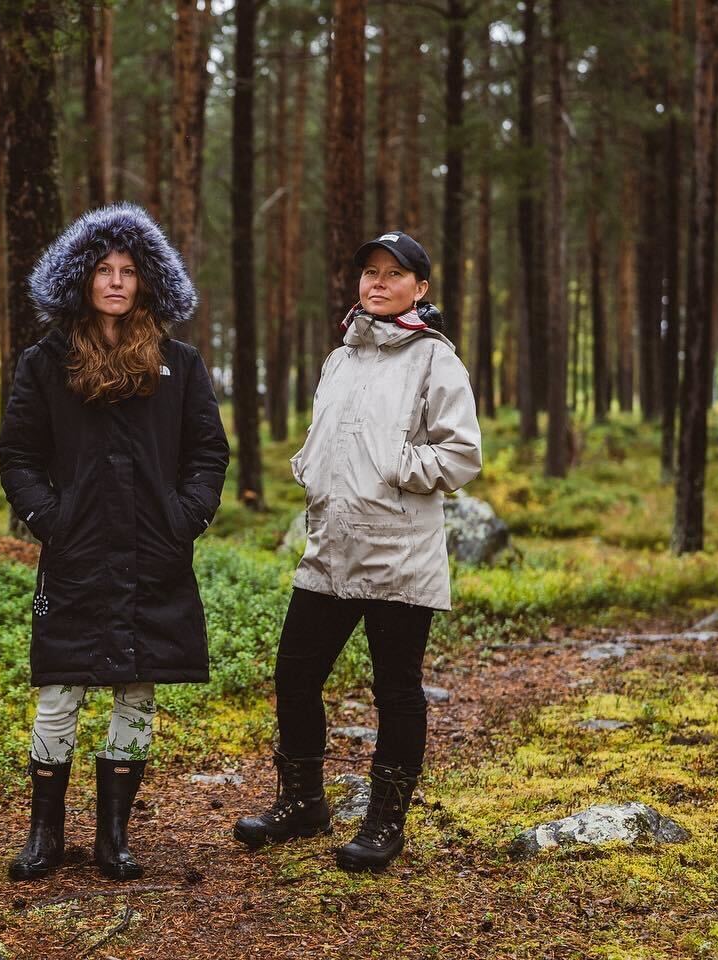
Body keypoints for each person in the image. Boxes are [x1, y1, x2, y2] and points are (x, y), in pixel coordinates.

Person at [232, 230, 481, 872]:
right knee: (295, 674)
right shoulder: (341, 358)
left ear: (419, 289)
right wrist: (311, 469)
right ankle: (304, 800)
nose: (376, 281)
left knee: (396, 690)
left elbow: (462, 454)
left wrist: (397, 464)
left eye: (393, 273)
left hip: (398, 554)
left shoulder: (435, 360)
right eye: (369, 271)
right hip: (329, 550)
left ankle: (384, 822)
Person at [0, 203, 229, 882]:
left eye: (129, 270)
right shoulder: (46, 363)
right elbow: (17, 453)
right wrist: (50, 517)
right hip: (74, 556)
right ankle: (44, 834)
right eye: (104, 269)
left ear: (149, 280)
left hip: (155, 555)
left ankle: (113, 837)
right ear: (82, 278)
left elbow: (208, 452)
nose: (117, 281)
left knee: (137, 688)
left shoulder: (178, 366)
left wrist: (184, 517)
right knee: (59, 688)